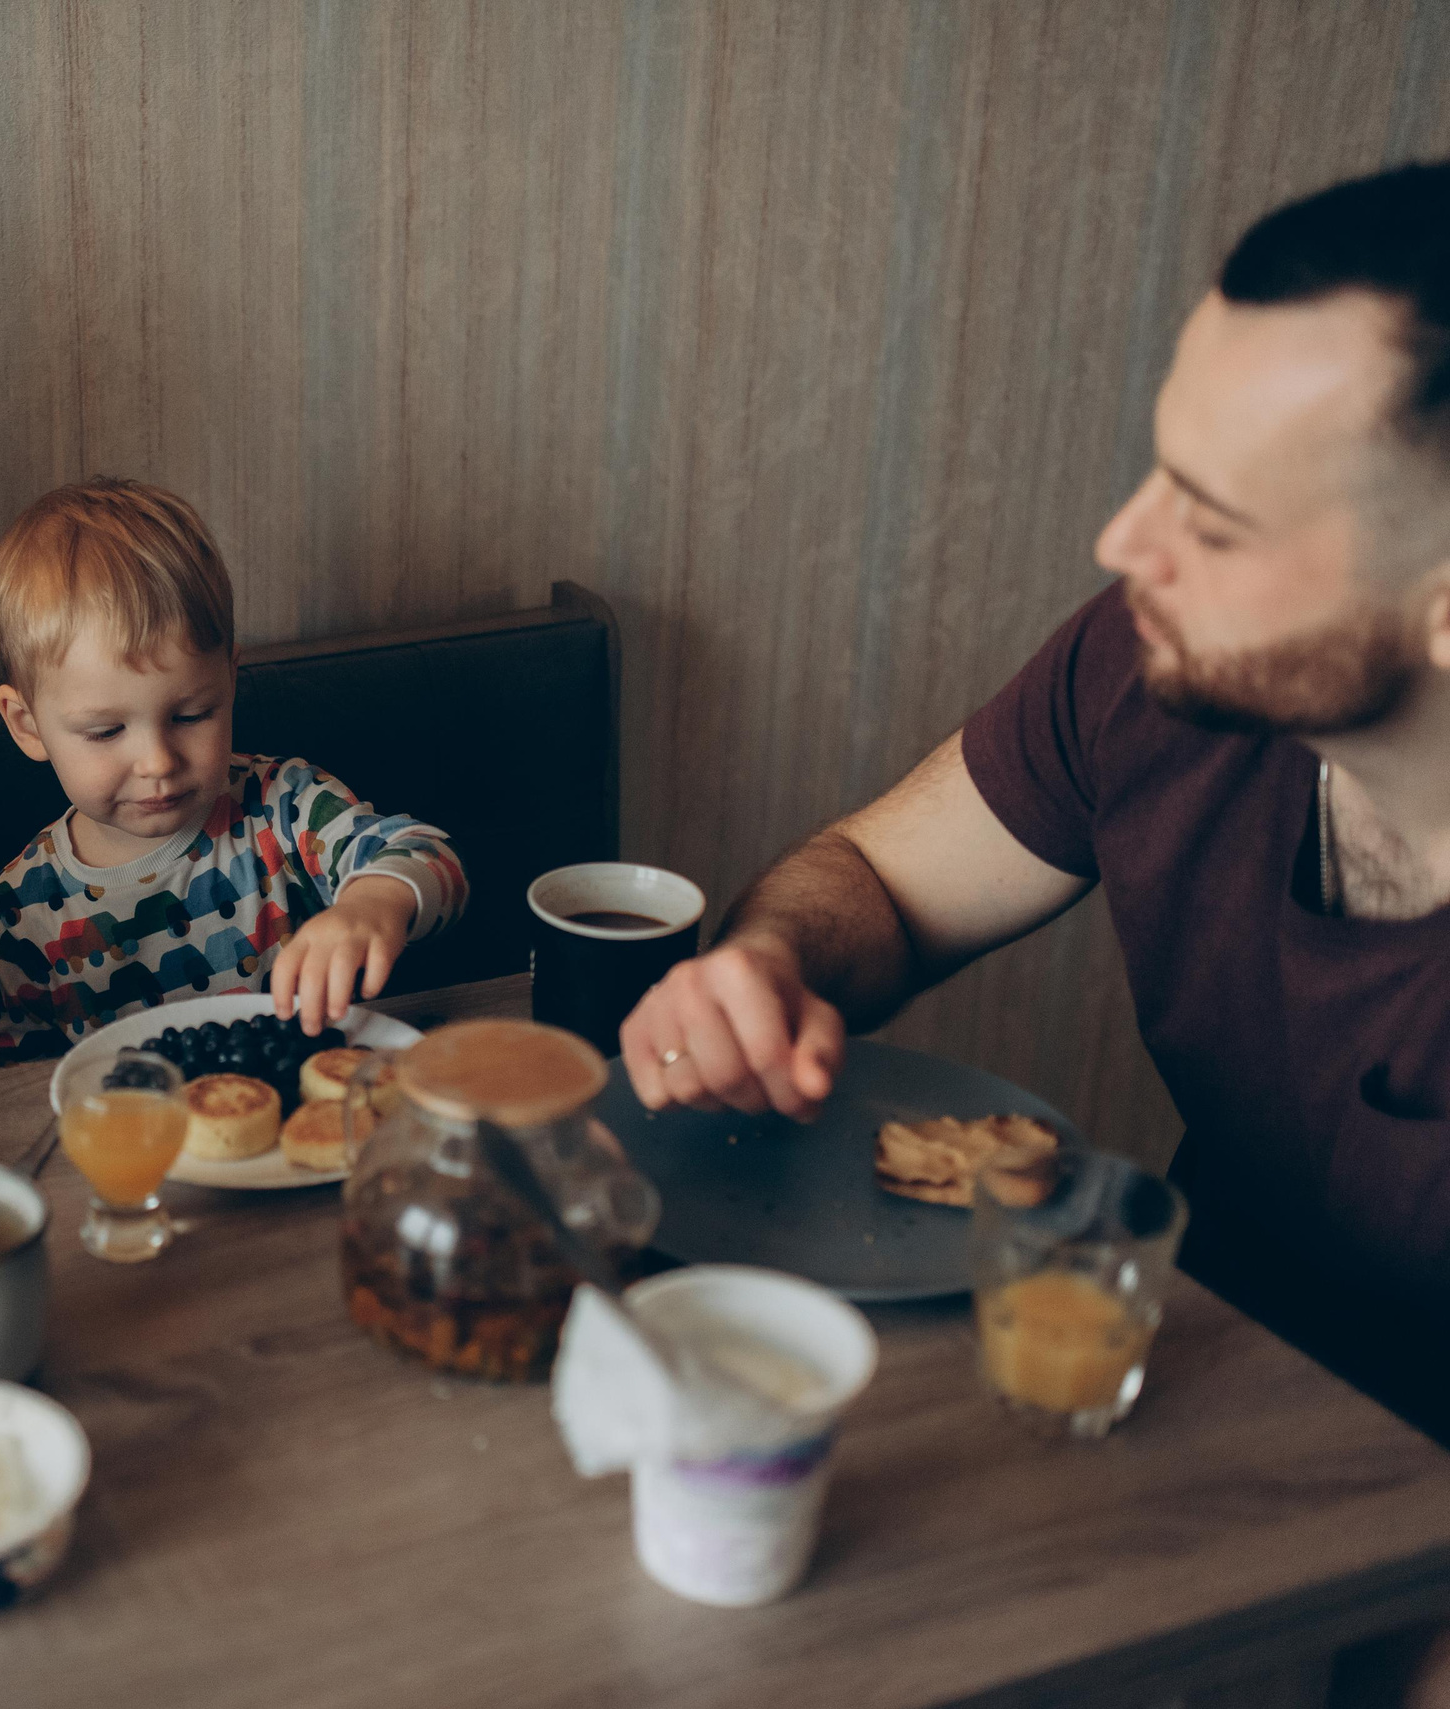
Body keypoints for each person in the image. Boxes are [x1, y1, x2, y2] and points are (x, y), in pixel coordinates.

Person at [619, 162, 1450, 1440]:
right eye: (1161, 468)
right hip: (1161, 1395)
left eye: (1214, 525)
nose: (1122, 543)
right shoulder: (1152, 662)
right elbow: (879, 883)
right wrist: (771, 962)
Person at [0, 477, 467, 1061]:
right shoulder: (19, 908)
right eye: (106, 731)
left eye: (191, 715)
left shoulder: (285, 806)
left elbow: (433, 858)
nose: (158, 762)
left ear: (230, 681)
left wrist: (374, 903)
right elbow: (18, 1083)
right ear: (28, 725)